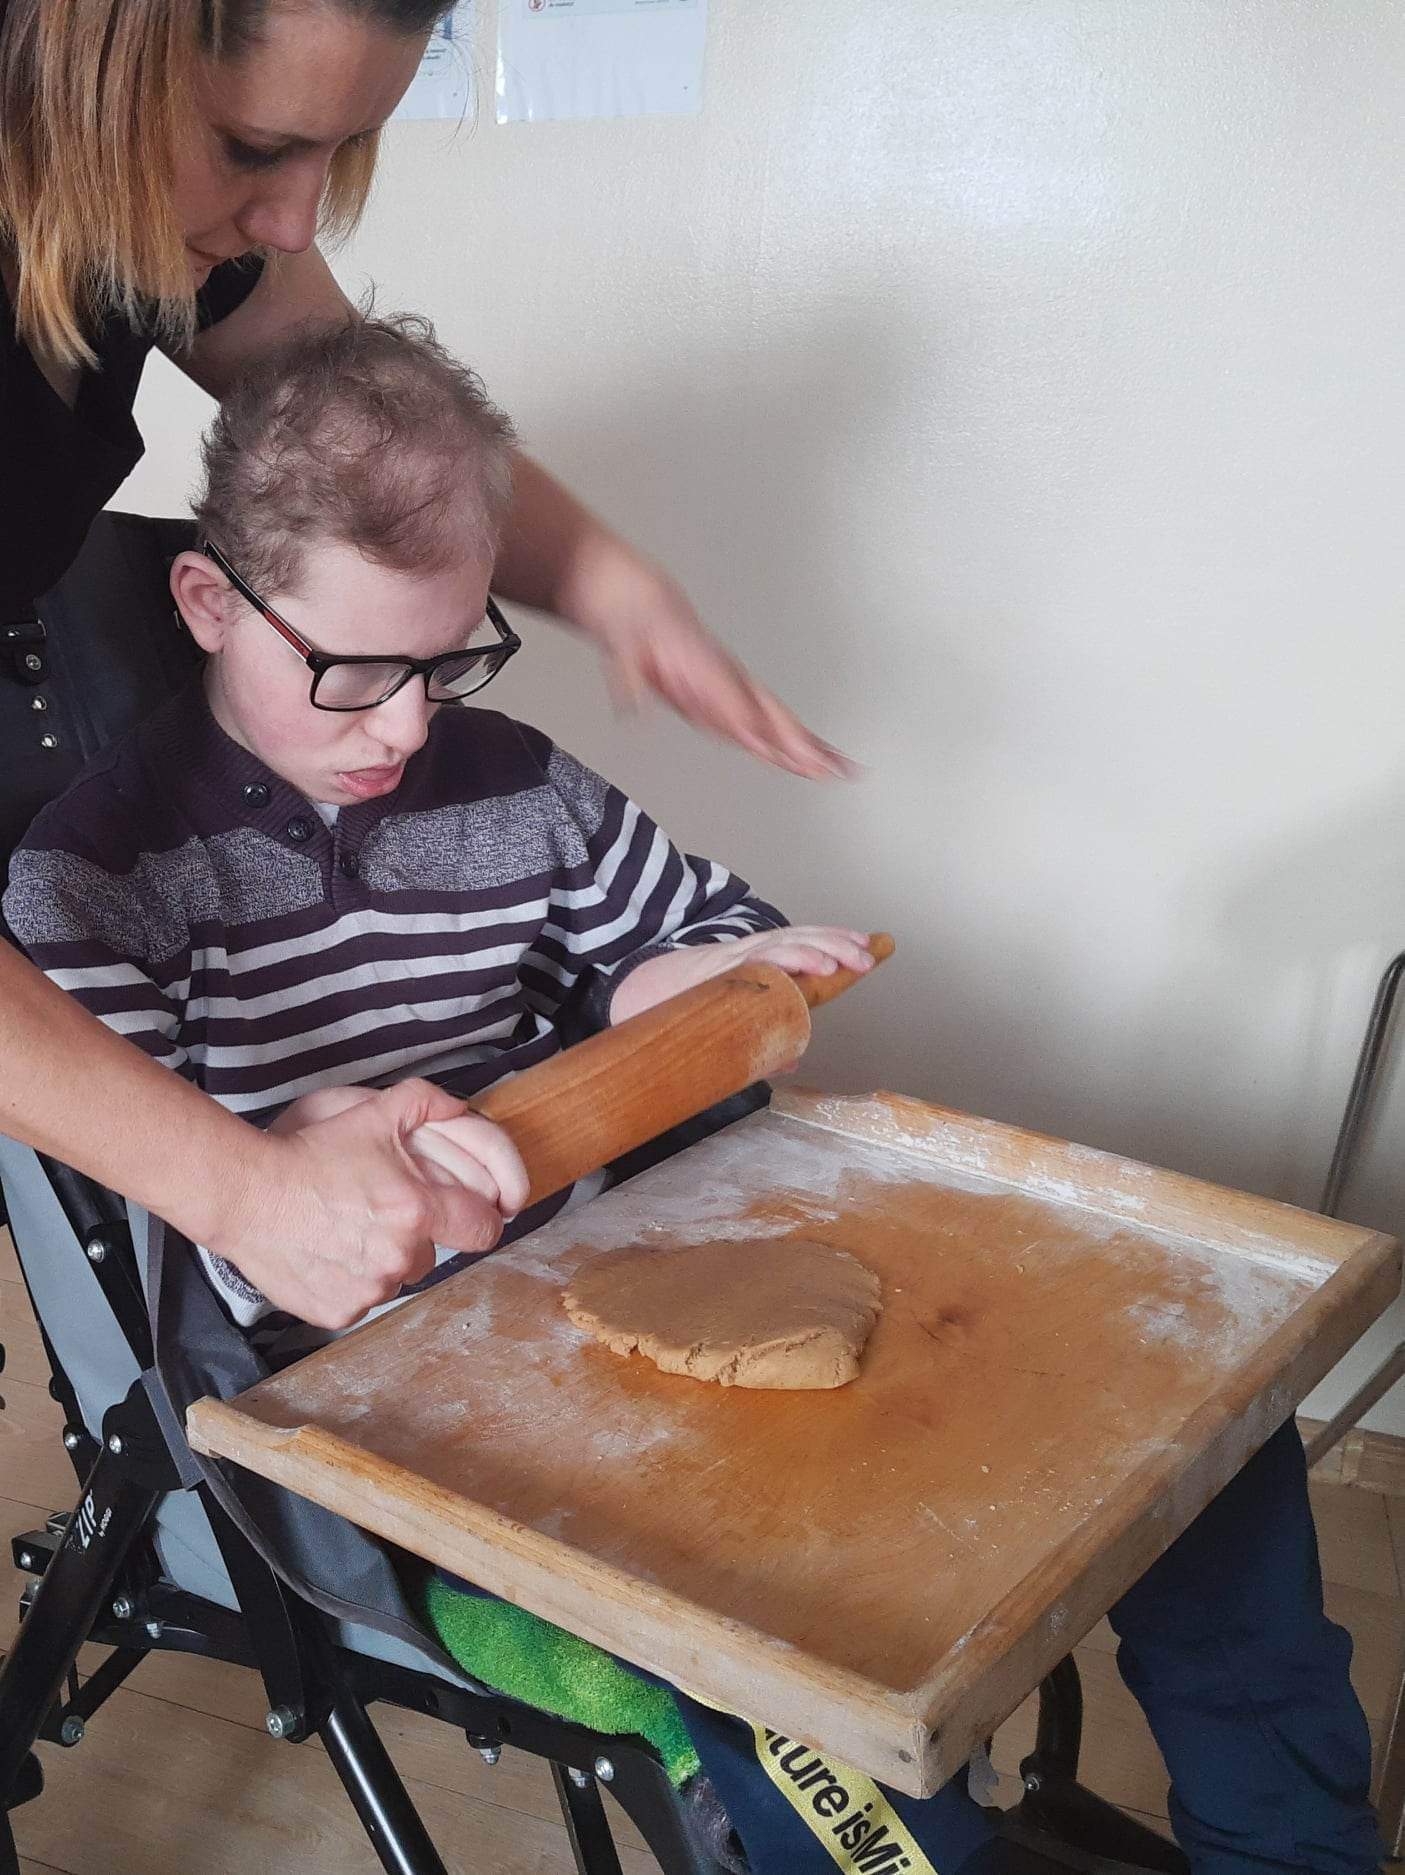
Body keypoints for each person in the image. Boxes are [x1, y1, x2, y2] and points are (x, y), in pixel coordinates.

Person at [4, 316, 1382, 1875]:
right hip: (382, 1402)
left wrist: (717, 983)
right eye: (356, 672)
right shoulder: (92, 885)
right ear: (208, 600)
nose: (405, 724)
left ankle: (1291, 1849)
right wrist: (299, 1164)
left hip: (617, 1279)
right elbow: (201, 1248)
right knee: (826, 1683)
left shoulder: (510, 783)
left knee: (1197, 1434)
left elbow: (677, 936)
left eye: (447, 661)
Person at [0, 0, 851, 1329]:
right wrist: (247, 1193)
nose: (295, 226)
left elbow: (347, 414)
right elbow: (162, 1238)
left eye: (340, 153)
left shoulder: (515, 794)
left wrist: (607, 582)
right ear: (81, 51)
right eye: (251, 147)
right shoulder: (106, 876)